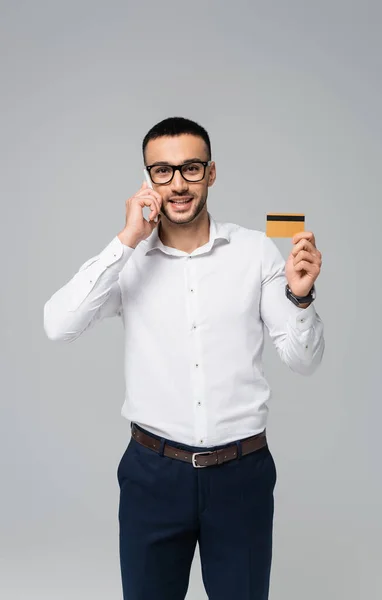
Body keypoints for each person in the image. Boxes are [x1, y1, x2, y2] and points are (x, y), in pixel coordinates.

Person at [43, 116, 325, 600]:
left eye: (191, 169)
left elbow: (302, 360)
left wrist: (301, 299)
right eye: (162, 171)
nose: (177, 184)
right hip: (153, 474)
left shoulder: (255, 252)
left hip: (242, 475)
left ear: (211, 174)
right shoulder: (128, 262)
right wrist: (126, 239)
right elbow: (58, 325)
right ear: (147, 179)